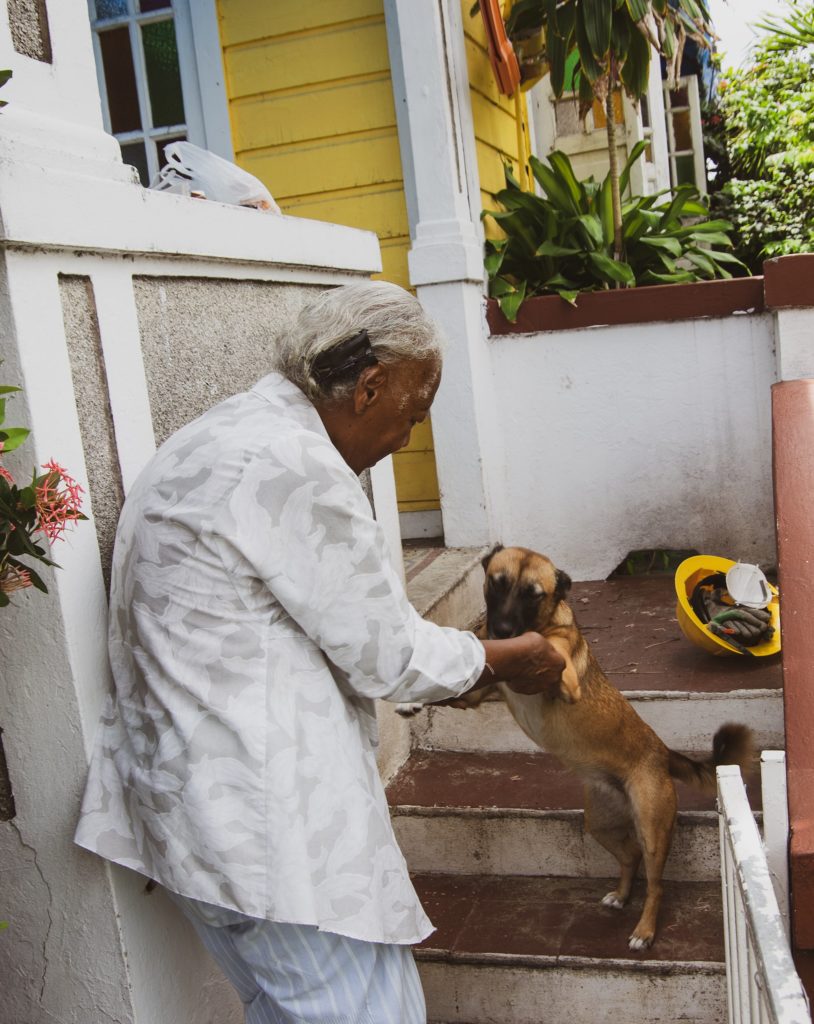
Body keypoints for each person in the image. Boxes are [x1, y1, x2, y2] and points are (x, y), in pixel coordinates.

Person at [74, 280, 565, 1024]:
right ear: (369, 388)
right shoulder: (293, 464)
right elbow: (389, 654)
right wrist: (504, 658)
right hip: (263, 838)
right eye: (413, 414)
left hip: (202, 820)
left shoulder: (223, 432)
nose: (407, 439)